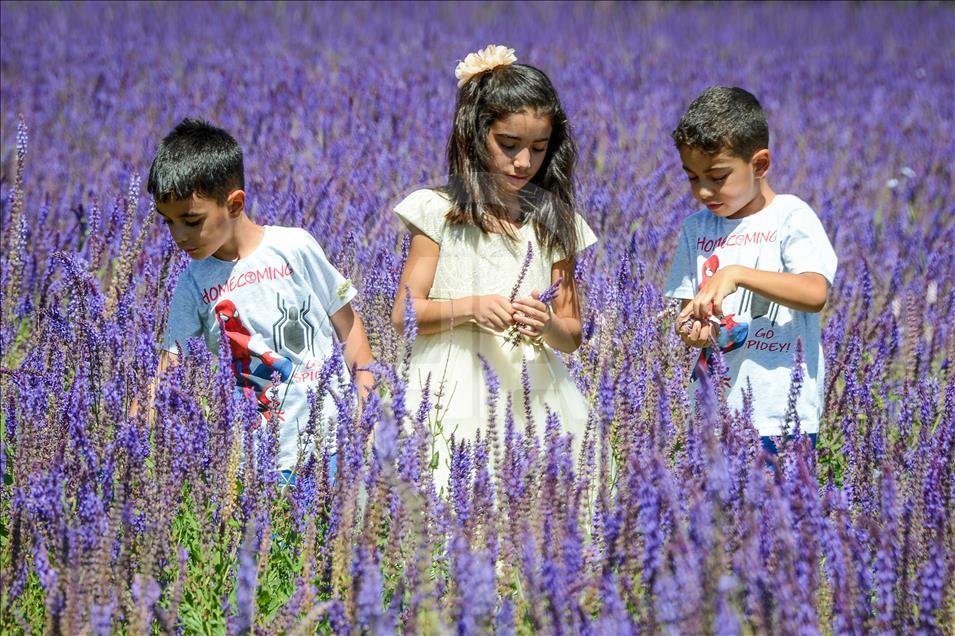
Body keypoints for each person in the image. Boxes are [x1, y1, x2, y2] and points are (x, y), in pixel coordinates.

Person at [391, 45, 597, 490]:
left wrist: (546, 325)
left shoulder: (554, 224)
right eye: (508, 145)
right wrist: (470, 308)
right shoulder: (438, 213)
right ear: (473, 135)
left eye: (538, 149)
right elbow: (404, 314)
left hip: (532, 395)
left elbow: (573, 334)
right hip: (447, 391)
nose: (523, 162)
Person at [147, 118, 374, 482]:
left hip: (335, 441)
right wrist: (131, 425)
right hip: (259, 461)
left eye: (191, 221)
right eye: (168, 222)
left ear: (234, 204)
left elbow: (346, 323)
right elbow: (170, 363)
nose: (179, 236)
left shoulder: (294, 247)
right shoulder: (192, 283)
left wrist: (367, 391)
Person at [663, 87, 838, 452]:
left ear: (759, 165)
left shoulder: (791, 217)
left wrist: (736, 274)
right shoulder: (697, 229)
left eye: (718, 176)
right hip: (712, 413)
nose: (704, 192)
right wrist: (690, 329)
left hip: (781, 414)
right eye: (693, 178)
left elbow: (814, 293)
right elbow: (683, 312)